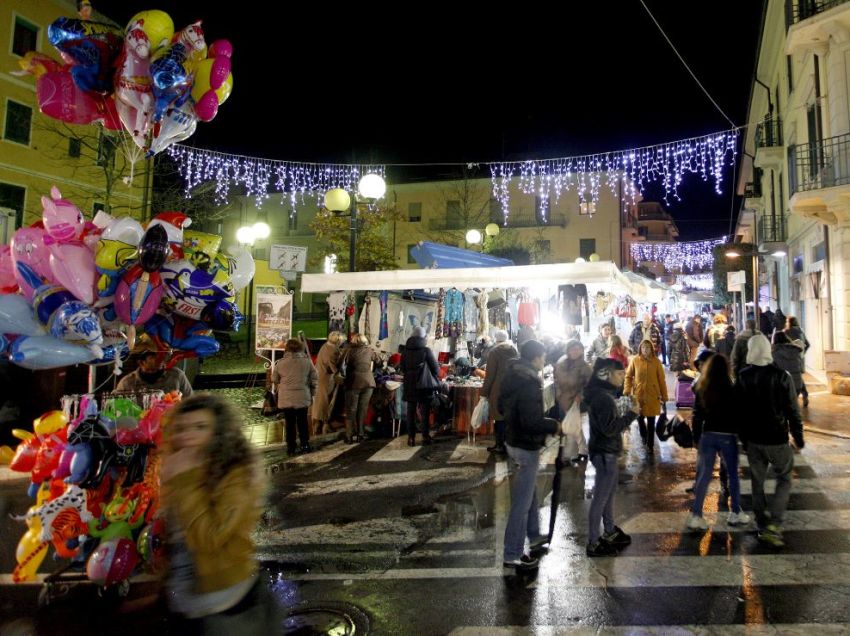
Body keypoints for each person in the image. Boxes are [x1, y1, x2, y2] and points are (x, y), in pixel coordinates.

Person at [161, 394, 276, 630]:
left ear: (219, 433)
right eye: (181, 428)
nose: (188, 435)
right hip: (184, 595)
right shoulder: (183, 467)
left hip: (225, 599)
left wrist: (184, 480)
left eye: (201, 427)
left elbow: (211, 537)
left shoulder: (236, 474)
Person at [737, 334, 804, 548]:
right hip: (777, 439)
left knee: (757, 481)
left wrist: (743, 438)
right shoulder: (782, 376)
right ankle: (774, 524)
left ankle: (761, 521)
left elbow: (738, 411)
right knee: (784, 478)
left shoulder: (743, 376)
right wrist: (798, 435)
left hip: (754, 440)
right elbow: (793, 409)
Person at [498, 340, 559, 570]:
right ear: (535, 358)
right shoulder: (530, 383)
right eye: (542, 357)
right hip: (525, 445)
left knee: (529, 489)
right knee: (521, 503)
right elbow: (532, 421)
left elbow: (501, 406)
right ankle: (512, 553)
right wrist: (555, 425)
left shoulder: (512, 375)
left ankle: (533, 536)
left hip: (512, 440)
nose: (544, 361)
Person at [686, 355, 750, 530]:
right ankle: (735, 511)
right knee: (732, 475)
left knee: (704, 477)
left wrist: (696, 438)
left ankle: (697, 515)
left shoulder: (702, 388)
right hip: (728, 437)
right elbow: (740, 417)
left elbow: (697, 415)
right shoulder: (733, 389)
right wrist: (744, 439)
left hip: (708, 436)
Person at [584, 358, 638, 557]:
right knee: (600, 498)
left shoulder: (602, 395)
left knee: (607, 495)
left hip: (605, 452)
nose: (623, 377)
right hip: (605, 453)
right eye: (619, 374)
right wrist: (631, 415)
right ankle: (593, 541)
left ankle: (609, 530)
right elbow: (609, 428)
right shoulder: (603, 398)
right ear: (605, 374)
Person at [272, 338, 318, 454]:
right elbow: (314, 378)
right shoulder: (307, 362)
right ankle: (305, 444)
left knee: (289, 423)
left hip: (286, 397)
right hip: (302, 395)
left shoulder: (280, 363)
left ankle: (291, 447)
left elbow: (274, 379)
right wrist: (312, 392)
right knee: (302, 421)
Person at [624, 339, 668, 455]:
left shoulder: (657, 362)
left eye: (647, 348)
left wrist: (664, 396)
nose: (645, 350)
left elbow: (661, 380)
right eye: (643, 348)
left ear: (651, 349)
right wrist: (627, 390)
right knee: (639, 418)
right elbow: (628, 376)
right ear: (640, 349)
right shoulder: (635, 361)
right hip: (639, 395)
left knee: (651, 420)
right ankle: (643, 435)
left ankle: (650, 445)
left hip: (653, 395)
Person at [400, 326, 440, 446]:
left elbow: (402, 368)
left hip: (409, 384)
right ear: (423, 337)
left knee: (410, 412)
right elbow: (436, 369)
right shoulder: (426, 350)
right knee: (424, 412)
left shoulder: (405, 350)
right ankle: (425, 436)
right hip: (423, 384)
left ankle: (411, 438)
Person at [480, 330, 518, 454]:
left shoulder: (494, 352)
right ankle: (509, 445)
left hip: (498, 390)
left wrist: (484, 393)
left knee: (499, 418)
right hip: (512, 389)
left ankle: (499, 445)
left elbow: (490, 376)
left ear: (496, 339)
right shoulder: (514, 350)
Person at [341, 334, 383, 443]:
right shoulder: (369, 351)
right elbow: (379, 362)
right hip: (368, 383)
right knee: (362, 409)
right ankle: (360, 434)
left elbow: (339, 364)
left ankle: (349, 435)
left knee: (351, 409)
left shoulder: (348, 351)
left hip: (352, 383)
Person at [553, 339, 592, 460]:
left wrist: (581, 395)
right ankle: (580, 451)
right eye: (573, 349)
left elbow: (590, 384)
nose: (576, 352)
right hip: (563, 399)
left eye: (578, 349)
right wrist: (559, 393)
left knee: (574, 426)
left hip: (577, 401)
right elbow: (556, 379)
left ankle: (573, 453)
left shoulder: (585, 366)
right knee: (571, 426)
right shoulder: (561, 363)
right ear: (568, 350)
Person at [116, 351, 193, 396]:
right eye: (152, 370)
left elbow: (191, 401)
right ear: (141, 363)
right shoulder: (127, 383)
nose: (159, 362)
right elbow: (114, 405)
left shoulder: (177, 375)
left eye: (161, 358)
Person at [313, 331, 343, 435]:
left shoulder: (325, 345)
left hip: (320, 376)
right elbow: (333, 367)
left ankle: (318, 423)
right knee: (327, 401)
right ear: (338, 340)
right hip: (327, 378)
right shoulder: (333, 350)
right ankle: (325, 424)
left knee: (320, 400)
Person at [772, 332, 805, 406]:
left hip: (783, 385)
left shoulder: (774, 353)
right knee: (791, 405)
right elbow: (800, 367)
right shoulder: (796, 350)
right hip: (797, 385)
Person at [785, 316, 810, 407]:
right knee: (798, 377)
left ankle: (792, 399)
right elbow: (807, 344)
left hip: (789, 359)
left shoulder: (786, 332)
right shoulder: (801, 331)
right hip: (799, 359)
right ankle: (805, 395)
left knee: (791, 378)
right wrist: (801, 353)